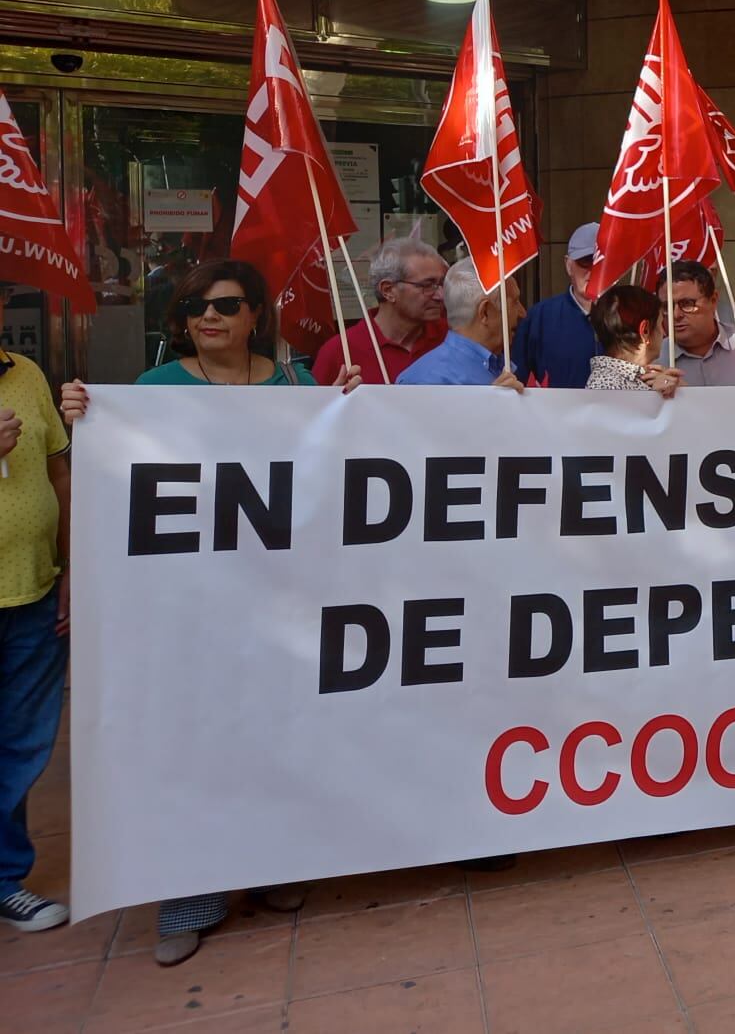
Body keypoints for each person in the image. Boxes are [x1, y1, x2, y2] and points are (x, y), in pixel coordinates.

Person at [58, 260, 359, 964]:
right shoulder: (152, 391)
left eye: (224, 305)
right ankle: (188, 894)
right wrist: (86, 419)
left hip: (281, 604)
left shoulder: (296, 387)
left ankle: (270, 869)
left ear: (257, 313)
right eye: (194, 307)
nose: (207, 318)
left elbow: (331, 477)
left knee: (278, 733)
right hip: (187, 609)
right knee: (193, 740)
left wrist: (349, 409)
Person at [0, 339, 74, 936]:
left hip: (34, 593)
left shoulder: (26, 373)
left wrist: (71, 565)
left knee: (22, 743)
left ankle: (4, 876)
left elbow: (58, 472)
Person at [311, 235, 449, 384]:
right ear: (388, 290)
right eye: (427, 285)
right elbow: (316, 407)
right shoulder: (340, 351)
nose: (440, 295)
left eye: (442, 284)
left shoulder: (452, 339)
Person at [399, 258, 528, 389]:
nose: (522, 313)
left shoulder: (500, 367)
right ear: (485, 312)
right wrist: (490, 404)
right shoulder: (427, 381)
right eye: (515, 302)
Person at [510, 223, 601, 389]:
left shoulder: (627, 315)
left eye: (600, 262)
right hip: (555, 413)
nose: (592, 271)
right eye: (585, 262)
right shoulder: (539, 318)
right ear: (568, 265)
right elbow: (517, 380)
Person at [663, 260, 735, 387]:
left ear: (713, 300)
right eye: (667, 307)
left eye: (687, 303)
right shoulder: (654, 361)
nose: (676, 315)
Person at [585, 284, 686, 394]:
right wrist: (654, 399)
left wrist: (682, 393)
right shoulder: (608, 387)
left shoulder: (618, 381)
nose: (664, 333)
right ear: (645, 331)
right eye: (661, 324)